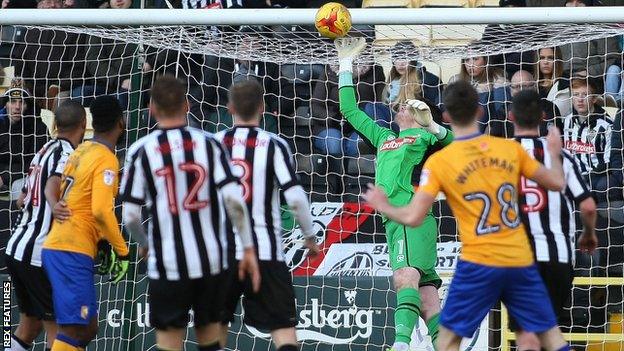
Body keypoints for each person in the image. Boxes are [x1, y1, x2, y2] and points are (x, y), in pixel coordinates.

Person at [363, 80, 572, 351]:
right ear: (480, 111)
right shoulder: (509, 149)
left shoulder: (441, 162)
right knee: (550, 338)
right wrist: (554, 154)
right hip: (517, 258)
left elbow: (414, 217)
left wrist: (384, 205)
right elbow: (556, 182)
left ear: (447, 116)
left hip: (479, 261)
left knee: (448, 342)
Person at [119, 75, 261, 351]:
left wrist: (145, 244)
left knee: (170, 341)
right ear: (187, 105)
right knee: (210, 338)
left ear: (151, 108)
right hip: (211, 259)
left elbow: (131, 217)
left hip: (168, 261)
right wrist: (246, 247)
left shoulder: (141, 151)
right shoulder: (210, 144)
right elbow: (234, 202)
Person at [335, 38, 454, 351]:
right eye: (404, 104)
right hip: (394, 219)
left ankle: (400, 345)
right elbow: (348, 110)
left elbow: (460, 148)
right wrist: (346, 64)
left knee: (404, 276)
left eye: (415, 106)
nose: (406, 105)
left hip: (410, 215)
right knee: (427, 298)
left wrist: (435, 129)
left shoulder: (425, 138)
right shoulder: (384, 136)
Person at [215, 79, 320, 351]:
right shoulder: (274, 145)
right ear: (262, 107)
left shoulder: (215, 144)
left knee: (215, 332)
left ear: (229, 108)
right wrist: (309, 236)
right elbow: (295, 197)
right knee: (284, 331)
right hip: (266, 253)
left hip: (222, 255)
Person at [509, 90, 598, 350]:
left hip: (518, 258)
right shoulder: (561, 156)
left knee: (528, 335)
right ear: (543, 117)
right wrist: (588, 234)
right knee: (548, 331)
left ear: (510, 116)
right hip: (558, 258)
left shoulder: (500, 157)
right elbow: (589, 206)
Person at [41, 96, 130, 351]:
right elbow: (101, 210)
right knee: (75, 328)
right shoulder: (105, 158)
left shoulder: (82, 150)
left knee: (88, 327)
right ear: (121, 122)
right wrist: (122, 250)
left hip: (63, 245)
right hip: (70, 249)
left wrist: (100, 240)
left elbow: (69, 193)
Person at [5, 101, 86, 351]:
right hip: (40, 255)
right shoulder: (67, 155)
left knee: (29, 326)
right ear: (84, 125)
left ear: (54, 124)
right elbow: (52, 183)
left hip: (16, 248)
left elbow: (21, 199)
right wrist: (55, 204)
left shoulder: (43, 150)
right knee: (61, 332)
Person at [0, 86, 48, 194]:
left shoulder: (39, 128)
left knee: (19, 186)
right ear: (5, 105)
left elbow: (36, 162)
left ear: (27, 106)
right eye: (12, 102)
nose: (17, 107)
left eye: (22, 102)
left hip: (25, 176)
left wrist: (4, 177)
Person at [489, 70, 561, 137]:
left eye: (525, 86)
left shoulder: (549, 108)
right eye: (516, 87)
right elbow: (495, 139)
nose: (521, 90)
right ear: (510, 90)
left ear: (535, 86)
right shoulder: (503, 111)